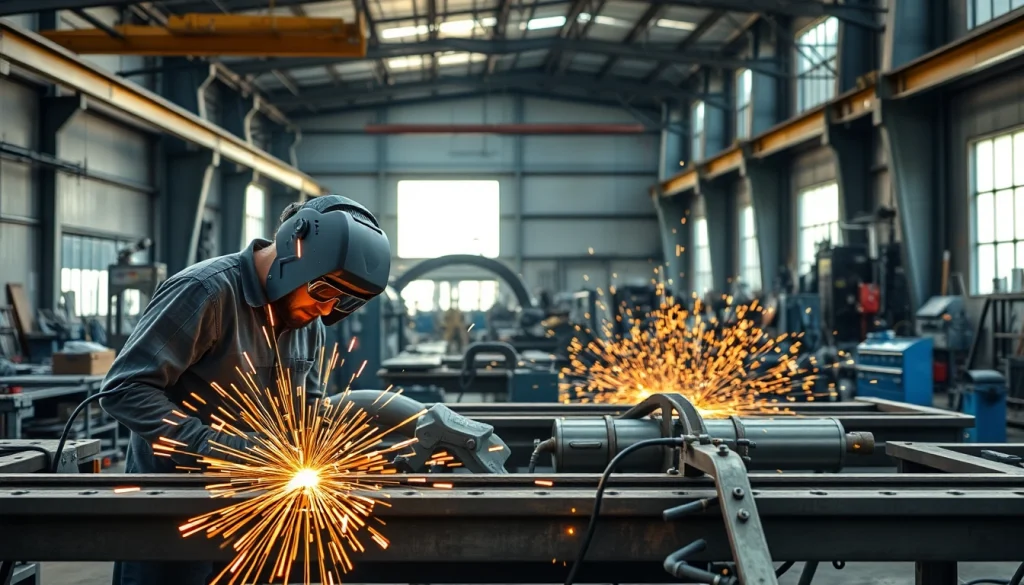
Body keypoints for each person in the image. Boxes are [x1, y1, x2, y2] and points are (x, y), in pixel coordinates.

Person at [99, 195, 391, 585]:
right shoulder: (205, 292)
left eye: (343, 300)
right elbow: (124, 388)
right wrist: (217, 448)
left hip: (259, 510)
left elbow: (310, 405)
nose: (325, 310)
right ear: (295, 250)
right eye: (323, 292)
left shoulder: (310, 322)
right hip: (176, 508)